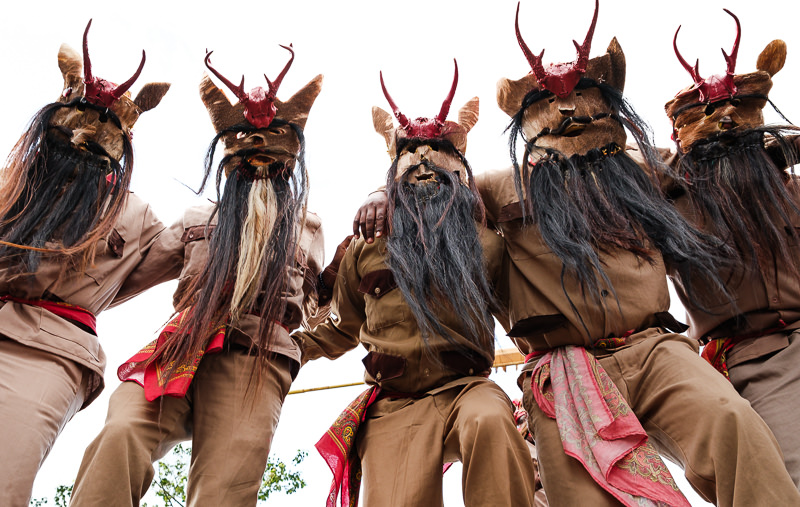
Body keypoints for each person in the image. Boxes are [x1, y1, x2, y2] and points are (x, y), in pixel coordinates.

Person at [352, 2, 800, 505]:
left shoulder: (645, 168)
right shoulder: (502, 187)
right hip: (563, 369)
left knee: (732, 425)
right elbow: (433, 177)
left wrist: (769, 141)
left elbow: (719, 152)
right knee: (580, 499)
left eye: (584, 96)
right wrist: (380, 191)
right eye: (547, 103)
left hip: (655, 348)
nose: (567, 110)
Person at [70, 46, 326, 506]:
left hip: (256, 356)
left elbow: (324, 303)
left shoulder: (309, 225)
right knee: (122, 432)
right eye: (244, 146)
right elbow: (124, 277)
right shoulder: (195, 217)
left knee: (224, 490)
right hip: (181, 343)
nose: (258, 158)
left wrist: (299, 346)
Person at [298, 62, 537, 507]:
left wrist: (550, 368)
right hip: (394, 403)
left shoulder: (488, 244)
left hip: (466, 388)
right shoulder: (365, 248)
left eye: (437, 156)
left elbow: (520, 319)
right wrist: (294, 350)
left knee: (490, 421)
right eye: (412, 157)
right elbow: (341, 325)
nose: (424, 164)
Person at [0, 21, 169, 507]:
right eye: (77, 119)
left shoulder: (136, 216)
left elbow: (215, 240)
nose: (89, 132)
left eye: (107, 128)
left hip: (47, 352)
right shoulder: (11, 184)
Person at [665, 8, 800, 487]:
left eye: (741, 111)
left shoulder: (791, 189)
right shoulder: (670, 205)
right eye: (702, 116)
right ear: (677, 135)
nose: (724, 118)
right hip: (753, 358)